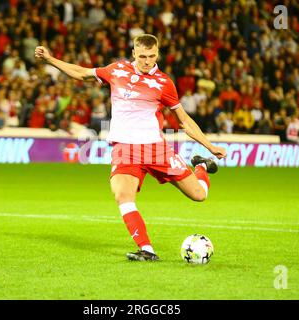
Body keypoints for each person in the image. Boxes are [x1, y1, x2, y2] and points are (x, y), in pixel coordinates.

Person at [35, 34, 227, 261]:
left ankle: (201, 165)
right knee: (122, 195)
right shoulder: (116, 70)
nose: (147, 61)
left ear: (158, 54)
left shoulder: (164, 83)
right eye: (143, 56)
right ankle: (147, 250)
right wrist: (50, 60)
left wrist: (209, 146)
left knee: (199, 195)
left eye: (152, 56)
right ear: (134, 53)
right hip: (125, 148)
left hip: (156, 149)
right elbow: (82, 73)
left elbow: (184, 121)